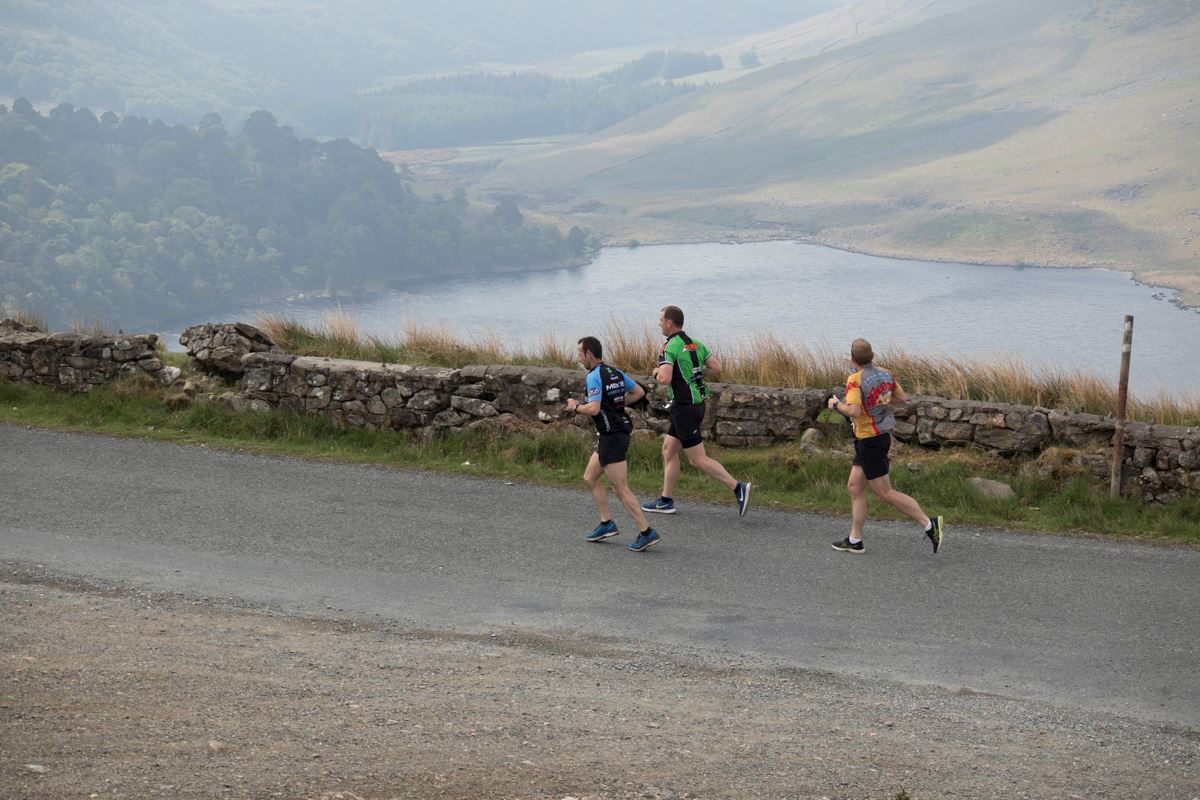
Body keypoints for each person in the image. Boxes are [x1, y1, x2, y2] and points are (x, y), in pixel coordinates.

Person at [826, 338, 944, 554]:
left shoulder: (855, 379)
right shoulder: (886, 373)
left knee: (884, 493)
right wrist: (879, 401)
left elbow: (853, 411)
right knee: (854, 486)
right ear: (872, 356)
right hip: (872, 438)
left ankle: (929, 524)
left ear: (852, 359)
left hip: (871, 439)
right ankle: (855, 540)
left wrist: (836, 404)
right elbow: (901, 398)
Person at [640, 305, 751, 517]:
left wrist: (655, 372)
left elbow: (664, 378)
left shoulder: (669, 347)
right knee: (668, 450)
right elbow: (716, 368)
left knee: (697, 459)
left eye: (661, 320)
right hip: (698, 404)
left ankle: (738, 488)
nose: (659, 323)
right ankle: (666, 500)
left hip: (684, 408)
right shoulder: (695, 344)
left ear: (669, 323)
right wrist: (694, 374)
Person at [566, 336, 662, 552]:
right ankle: (606, 523)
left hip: (613, 435)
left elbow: (593, 409)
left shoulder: (593, 377)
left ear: (589, 354)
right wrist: (617, 403)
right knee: (590, 477)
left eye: (580, 354)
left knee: (621, 489)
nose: (579, 358)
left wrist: (575, 407)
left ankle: (647, 532)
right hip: (610, 433)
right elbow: (638, 392)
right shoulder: (614, 372)